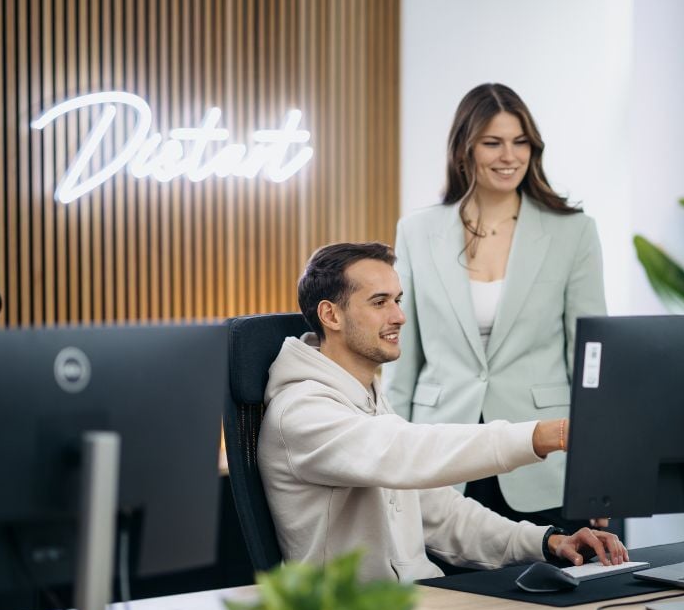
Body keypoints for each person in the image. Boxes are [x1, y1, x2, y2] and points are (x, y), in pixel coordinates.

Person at [258, 242, 626, 582]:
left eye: (398, 300)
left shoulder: (365, 399)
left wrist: (546, 543)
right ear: (331, 315)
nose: (400, 316)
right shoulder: (302, 411)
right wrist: (546, 434)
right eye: (380, 302)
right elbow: (406, 452)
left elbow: (439, 512)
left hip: (421, 602)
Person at [382, 83, 607, 531]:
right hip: (444, 454)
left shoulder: (573, 232)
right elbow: (401, 361)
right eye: (493, 142)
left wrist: (599, 472)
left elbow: (589, 362)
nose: (510, 156)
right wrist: (390, 470)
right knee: (447, 597)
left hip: (543, 458)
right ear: (465, 149)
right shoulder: (417, 232)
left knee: (555, 589)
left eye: (520, 142)